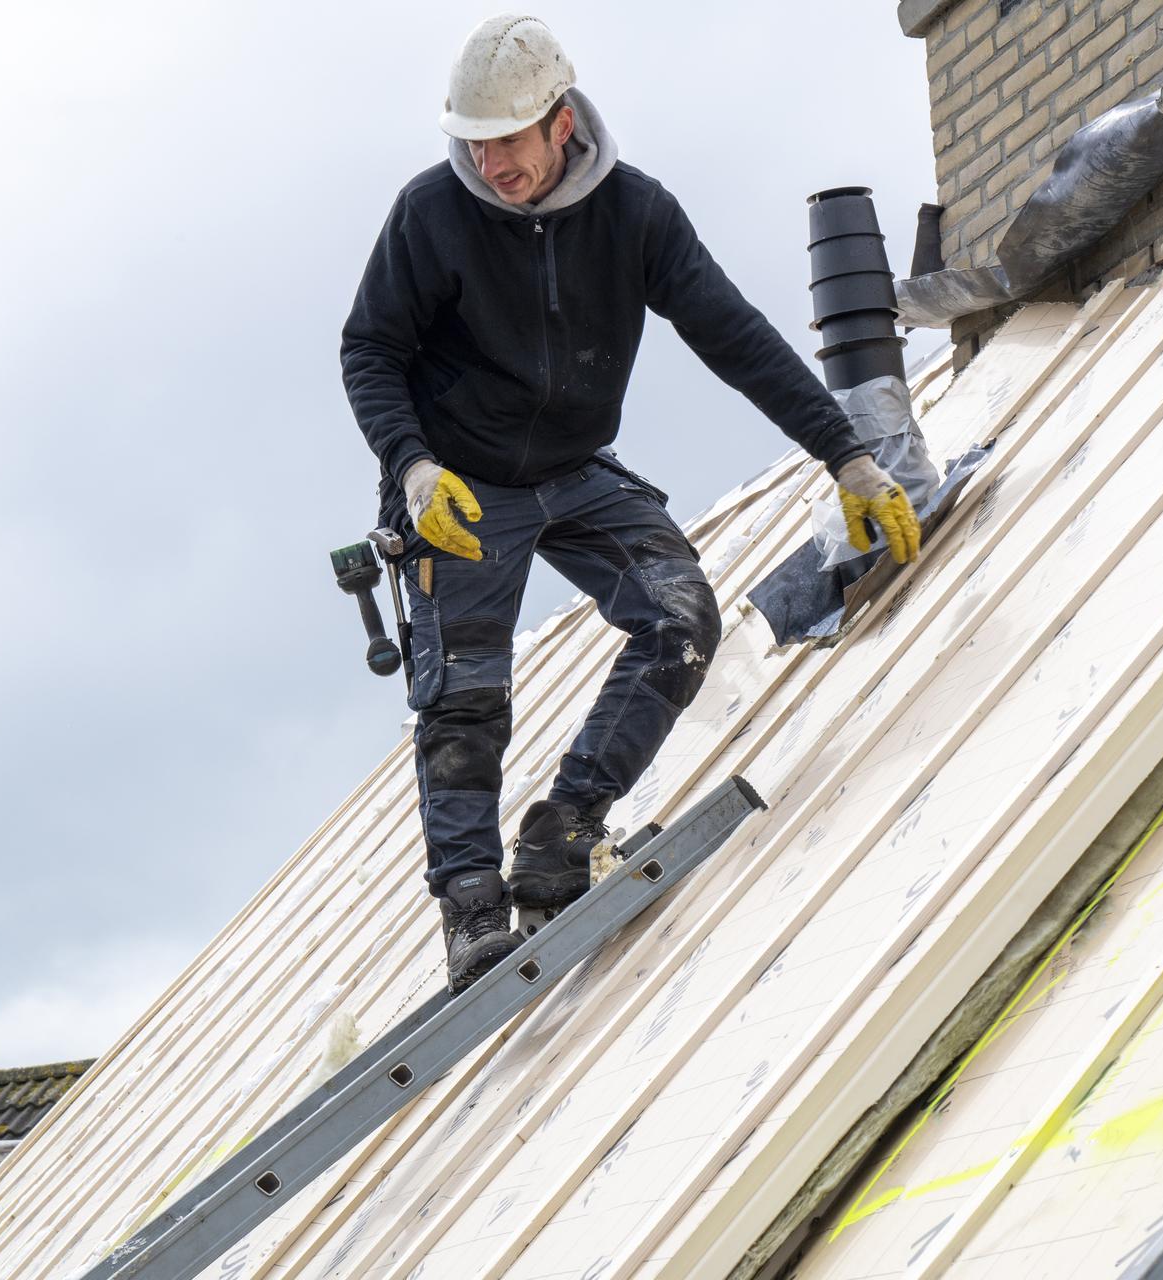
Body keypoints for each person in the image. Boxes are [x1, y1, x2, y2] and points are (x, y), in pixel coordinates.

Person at [340, 13, 921, 992]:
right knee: (465, 693)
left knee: (679, 617)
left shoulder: (635, 216)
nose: (489, 164)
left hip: (574, 466)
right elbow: (370, 347)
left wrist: (848, 456)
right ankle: (474, 909)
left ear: (561, 122)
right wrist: (411, 466)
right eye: (472, 144)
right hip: (458, 484)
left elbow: (735, 335)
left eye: (508, 141)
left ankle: (564, 828)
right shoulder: (431, 213)